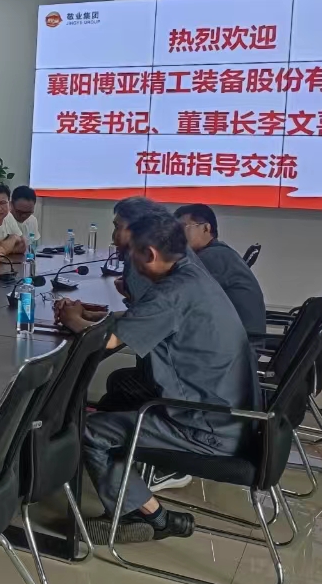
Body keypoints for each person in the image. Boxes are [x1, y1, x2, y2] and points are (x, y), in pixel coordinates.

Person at [57, 212, 262, 545]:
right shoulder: (191, 273)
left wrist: (71, 318)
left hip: (206, 427)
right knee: (117, 400)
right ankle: (144, 509)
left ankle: (149, 517)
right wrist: (92, 314)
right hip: (231, 414)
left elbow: (105, 343)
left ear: (149, 254)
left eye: (130, 256)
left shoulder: (171, 293)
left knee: (88, 431)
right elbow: (146, 317)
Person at [175, 203, 266, 338]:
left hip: (237, 343)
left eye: (182, 227)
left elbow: (177, 296)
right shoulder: (219, 253)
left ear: (206, 228)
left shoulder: (213, 257)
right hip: (235, 339)